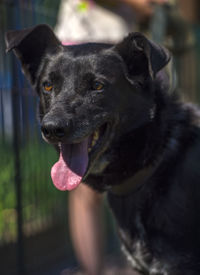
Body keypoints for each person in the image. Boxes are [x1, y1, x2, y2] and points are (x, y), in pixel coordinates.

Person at [55, 1, 168, 274]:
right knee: (85, 182)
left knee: (136, 173)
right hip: (84, 46)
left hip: (120, 51)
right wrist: (142, 5)